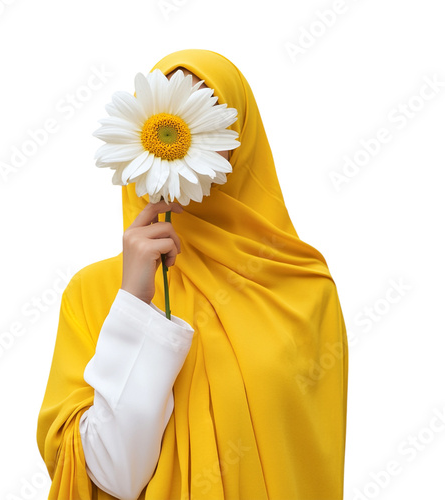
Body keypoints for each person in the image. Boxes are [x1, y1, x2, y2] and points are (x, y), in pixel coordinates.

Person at [36, 49, 349, 500]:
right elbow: (114, 477)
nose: (190, 132)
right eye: (172, 112)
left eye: (210, 115)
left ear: (244, 138)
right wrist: (133, 307)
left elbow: (307, 467)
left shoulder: (299, 290)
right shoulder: (95, 292)